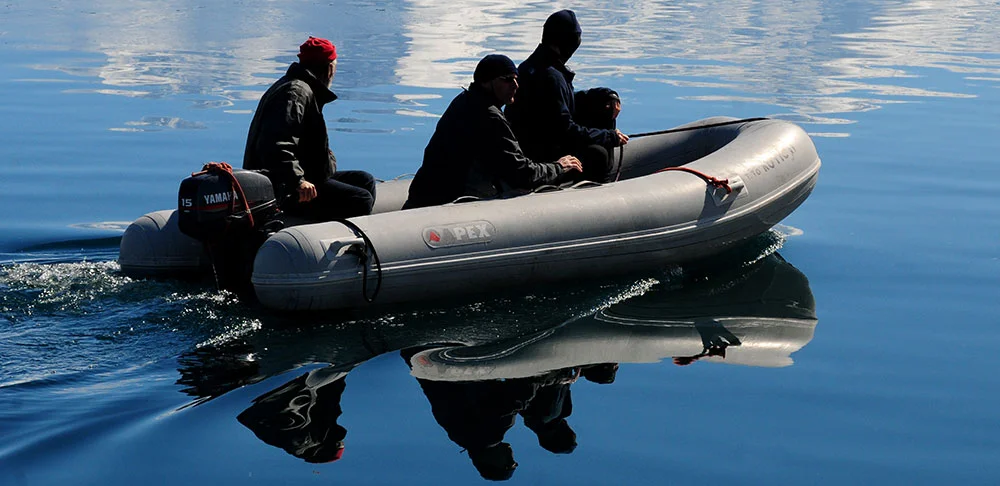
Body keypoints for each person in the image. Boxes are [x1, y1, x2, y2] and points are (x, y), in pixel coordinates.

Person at [402, 54, 582, 210]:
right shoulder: (489, 116)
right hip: (448, 203)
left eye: (516, 78)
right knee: (520, 190)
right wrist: (559, 167)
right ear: (486, 82)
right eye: (507, 79)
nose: (516, 85)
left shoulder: (464, 101)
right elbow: (522, 174)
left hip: (423, 194)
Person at [243, 36, 376, 221]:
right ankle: (334, 244)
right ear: (330, 68)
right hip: (282, 189)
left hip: (297, 177)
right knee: (360, 199)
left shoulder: (299, 87)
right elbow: (276, 144)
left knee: (364, 180)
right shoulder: (295, 93)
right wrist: (298, 181)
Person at [505, 10, 629, 182]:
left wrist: (604, 95)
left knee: (603, 108)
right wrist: (609, 136)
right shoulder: (550, 76)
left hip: (538, 138)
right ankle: (597, 189)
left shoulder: (533, 65)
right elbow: (565, 131)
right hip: (539, 151)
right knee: (598, 154)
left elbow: (562, 102)